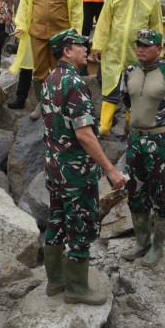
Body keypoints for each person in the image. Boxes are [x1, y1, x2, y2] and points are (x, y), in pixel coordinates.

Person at [41, 29, 127, 305]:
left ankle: (55, 281)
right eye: (81, 45)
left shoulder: (49, 80)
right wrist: (111, 170)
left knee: (56, 219)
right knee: (80, 225)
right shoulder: (75, 83)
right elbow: (85, 134)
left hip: (53, 167)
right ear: (67, 51)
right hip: (75, 172)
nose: (86, 49)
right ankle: (77, 288)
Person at [119, 29, 165, 267]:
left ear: (159, 49)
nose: (140, 49)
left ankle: (158, 245)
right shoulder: (130, 72)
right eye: (138, 44)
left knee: (161, 193)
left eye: (146, 45)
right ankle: (142, 241)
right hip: (135, 140)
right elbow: (127, 102)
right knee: (134, 190)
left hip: (161, 141)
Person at [89, 0, 163, 138]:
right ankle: (104, 127)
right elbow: (104, 22)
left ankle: (130, 126)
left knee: (135, 90)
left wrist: (155, 52)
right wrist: (97, 45)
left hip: (137, 54)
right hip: (114, 51)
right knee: (110, 88)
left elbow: (156, 26)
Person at [8, 0, 83, 120]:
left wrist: (76, 34)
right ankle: (41, 103)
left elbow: (77, 8)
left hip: (61, 37)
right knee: (39, 72)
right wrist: (21, 25)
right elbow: (25, 4)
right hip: (38, 34)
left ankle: (61, 104)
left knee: (62, 71)